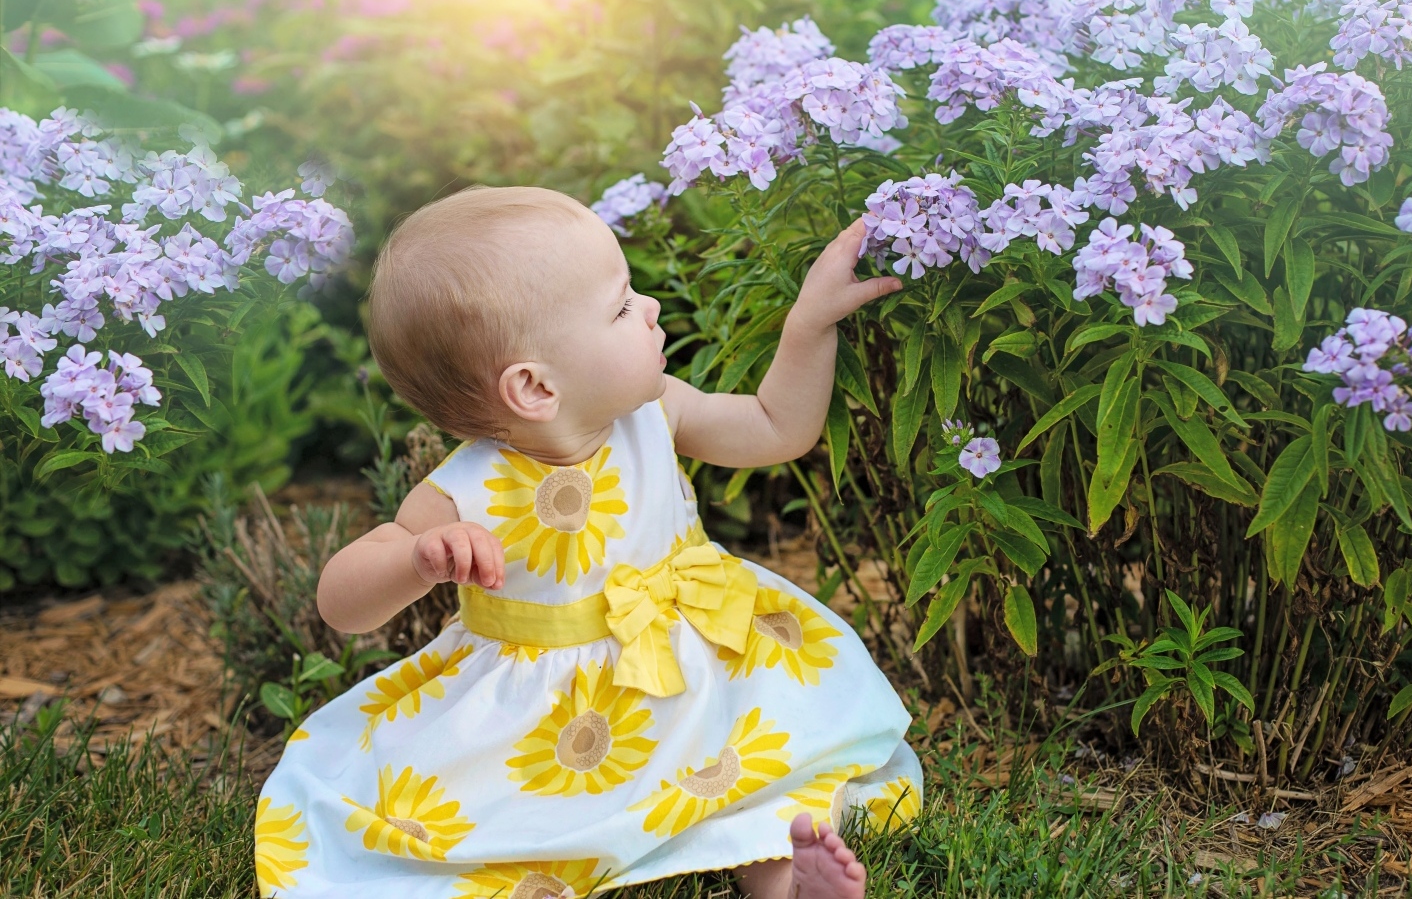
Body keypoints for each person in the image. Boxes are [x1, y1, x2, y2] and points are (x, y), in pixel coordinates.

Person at [254, 185, 923, 899]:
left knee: (754, 777)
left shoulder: (654, 411)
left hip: (698, 677)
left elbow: (774, 426)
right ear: (535, 388)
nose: (651, 309)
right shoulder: (467, 489)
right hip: (550, 718)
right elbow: (340, 605)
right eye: (621, 306)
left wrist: (808, 323)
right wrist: (414, 558)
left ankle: (784, 878)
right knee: (513, 828)